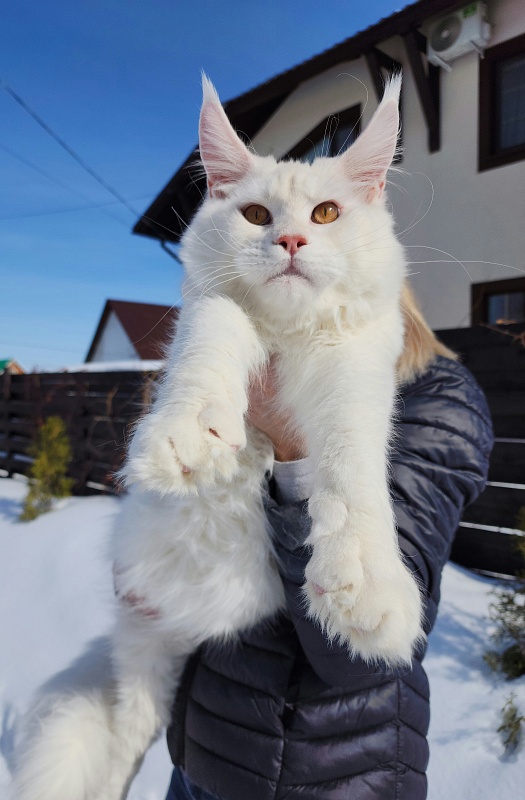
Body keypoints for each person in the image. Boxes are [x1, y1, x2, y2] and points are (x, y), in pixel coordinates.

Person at [163, 351, 493, 800]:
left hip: (323, 776)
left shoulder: (434, 392)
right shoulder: (259, 364)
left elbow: (365, 647)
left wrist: (292, 440)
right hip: (200, 755)